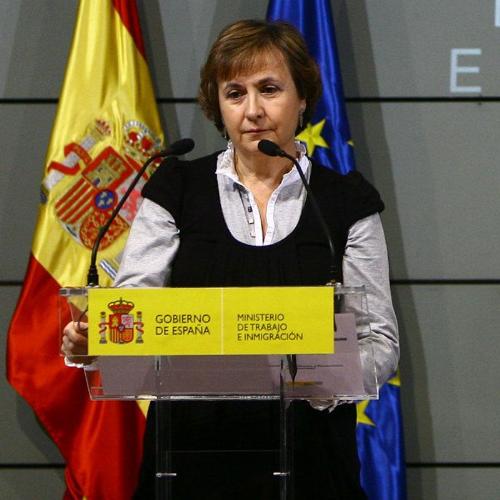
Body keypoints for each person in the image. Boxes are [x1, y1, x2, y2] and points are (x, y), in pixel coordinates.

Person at [62, 19, 398, 499]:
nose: (253, 110)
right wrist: (97, 343)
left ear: (303, 97)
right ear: (217, 105)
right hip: (188, 459)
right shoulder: (176, 189)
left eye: (269, 89)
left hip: (310, 458)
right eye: (235, 93)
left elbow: (379, 341)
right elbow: (134, 311)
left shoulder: (346, 202)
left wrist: (318, 381)